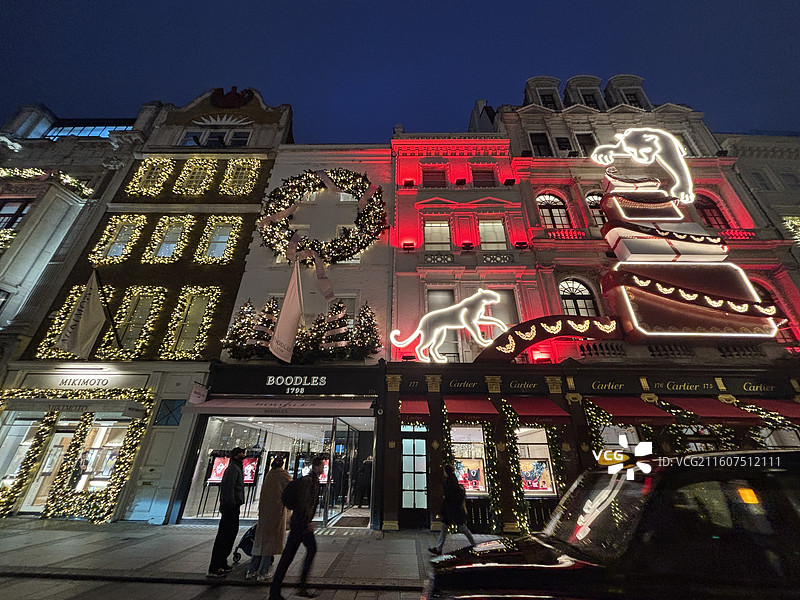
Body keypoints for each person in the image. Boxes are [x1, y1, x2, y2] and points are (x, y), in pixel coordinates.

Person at [269, 455, 323, 600]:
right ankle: (278, 591)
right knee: (289, 555)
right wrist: (307, 522)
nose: (323, 469)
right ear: (316, 467)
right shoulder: (308, 482)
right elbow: (304, 504)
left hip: (301, 523)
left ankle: (298, 586)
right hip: (300, 523)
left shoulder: (313, 481)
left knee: (304, 551)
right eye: (322, 466)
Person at [248, 457, 291, 582]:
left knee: (260, 541)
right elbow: (291, 490)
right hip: (276, 513)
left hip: (264, 513)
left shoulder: (269, 475)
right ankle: (263, 571)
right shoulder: (283, 476)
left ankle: (252, 569)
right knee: (270, 542)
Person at [207, 447, 246, 578]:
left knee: (229, 535)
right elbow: (228, 488)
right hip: (230, 507)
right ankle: (215, 566)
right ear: (236, 455)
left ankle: (222, 562)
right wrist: (231, 504)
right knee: (225, 536)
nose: (244, 455)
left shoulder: (235, 468)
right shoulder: (233, 469)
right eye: (242, 453)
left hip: (232, 506)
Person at [429, 464, 476, 556]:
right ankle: (439, 548)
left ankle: (474, 545)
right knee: (457, 528)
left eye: (444, 471)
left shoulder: (448, 482)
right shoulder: (454, 480)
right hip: (455, 510)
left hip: (451, 510)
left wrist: (444, 504)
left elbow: (448, 497)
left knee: (459, 528)